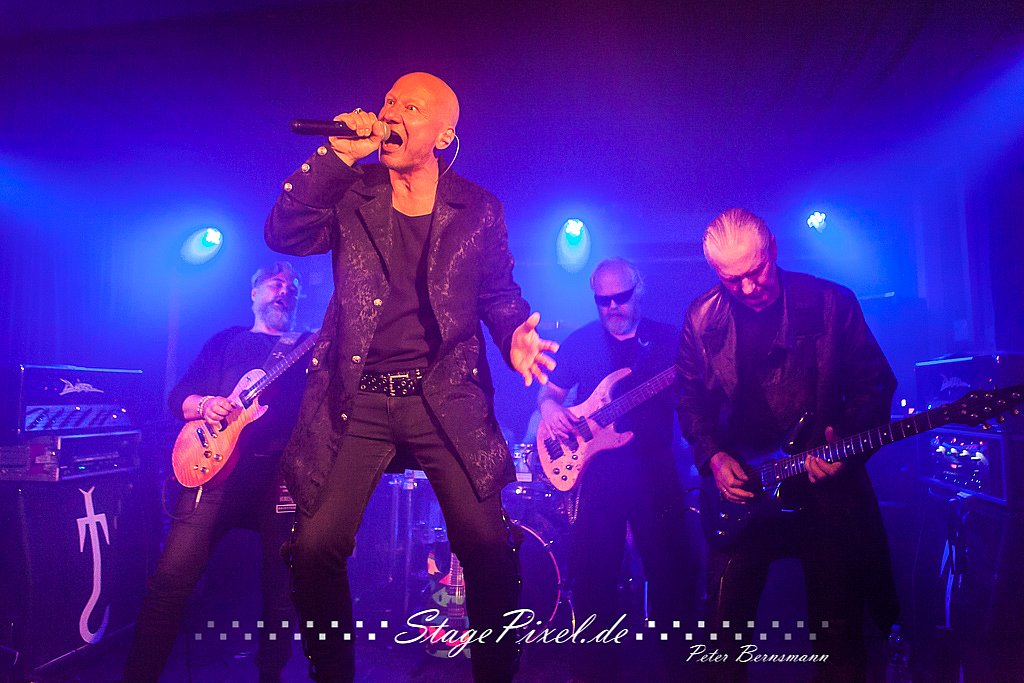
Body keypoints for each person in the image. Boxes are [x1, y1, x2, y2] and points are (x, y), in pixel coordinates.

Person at [264, 72, 558, 683]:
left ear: (444, 135)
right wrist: (336, 156)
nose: (392, 112)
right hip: (357, 398)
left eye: (411, 107)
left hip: (443, 395)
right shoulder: (353, 191)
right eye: (389, 101)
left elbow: (499, 295)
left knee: (488, 549)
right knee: (314, 548)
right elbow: (284, 233)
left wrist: (515, 334)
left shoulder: (478, 209)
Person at [676, 208, 899, 682]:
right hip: (742, 494)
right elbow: (690, 399)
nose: (748, 288)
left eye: (756, 271)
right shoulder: (701, 317)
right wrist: (713, 455)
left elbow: (876, 385)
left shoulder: (832, 303)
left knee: (839, 636)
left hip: (825, 492)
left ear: (773, 249)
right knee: (722, 639)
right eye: (731, 279)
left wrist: (846, 447)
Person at [123, 262, 309, 683]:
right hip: (214, 467)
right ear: (254, 292)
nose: (285, 291)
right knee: (169, 582)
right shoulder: (228, 340)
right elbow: (178, 398)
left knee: (281, 592)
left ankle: (270, 677)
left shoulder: (309, 347)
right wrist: (206, 404)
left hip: (280, 475)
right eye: (276, 283)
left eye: (293, 286)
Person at [537, 258, 700, 682]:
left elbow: (699, 392)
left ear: (638, 290)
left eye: (621, 297)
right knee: (593, 577)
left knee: (671, 573)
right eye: (603, 300)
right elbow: (549, 394)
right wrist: (551, 409)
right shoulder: (581, 342)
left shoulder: (670, 339)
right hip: (600, 475)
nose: (612, 307)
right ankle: (595, 672)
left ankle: (678, 669)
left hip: (655, 468)